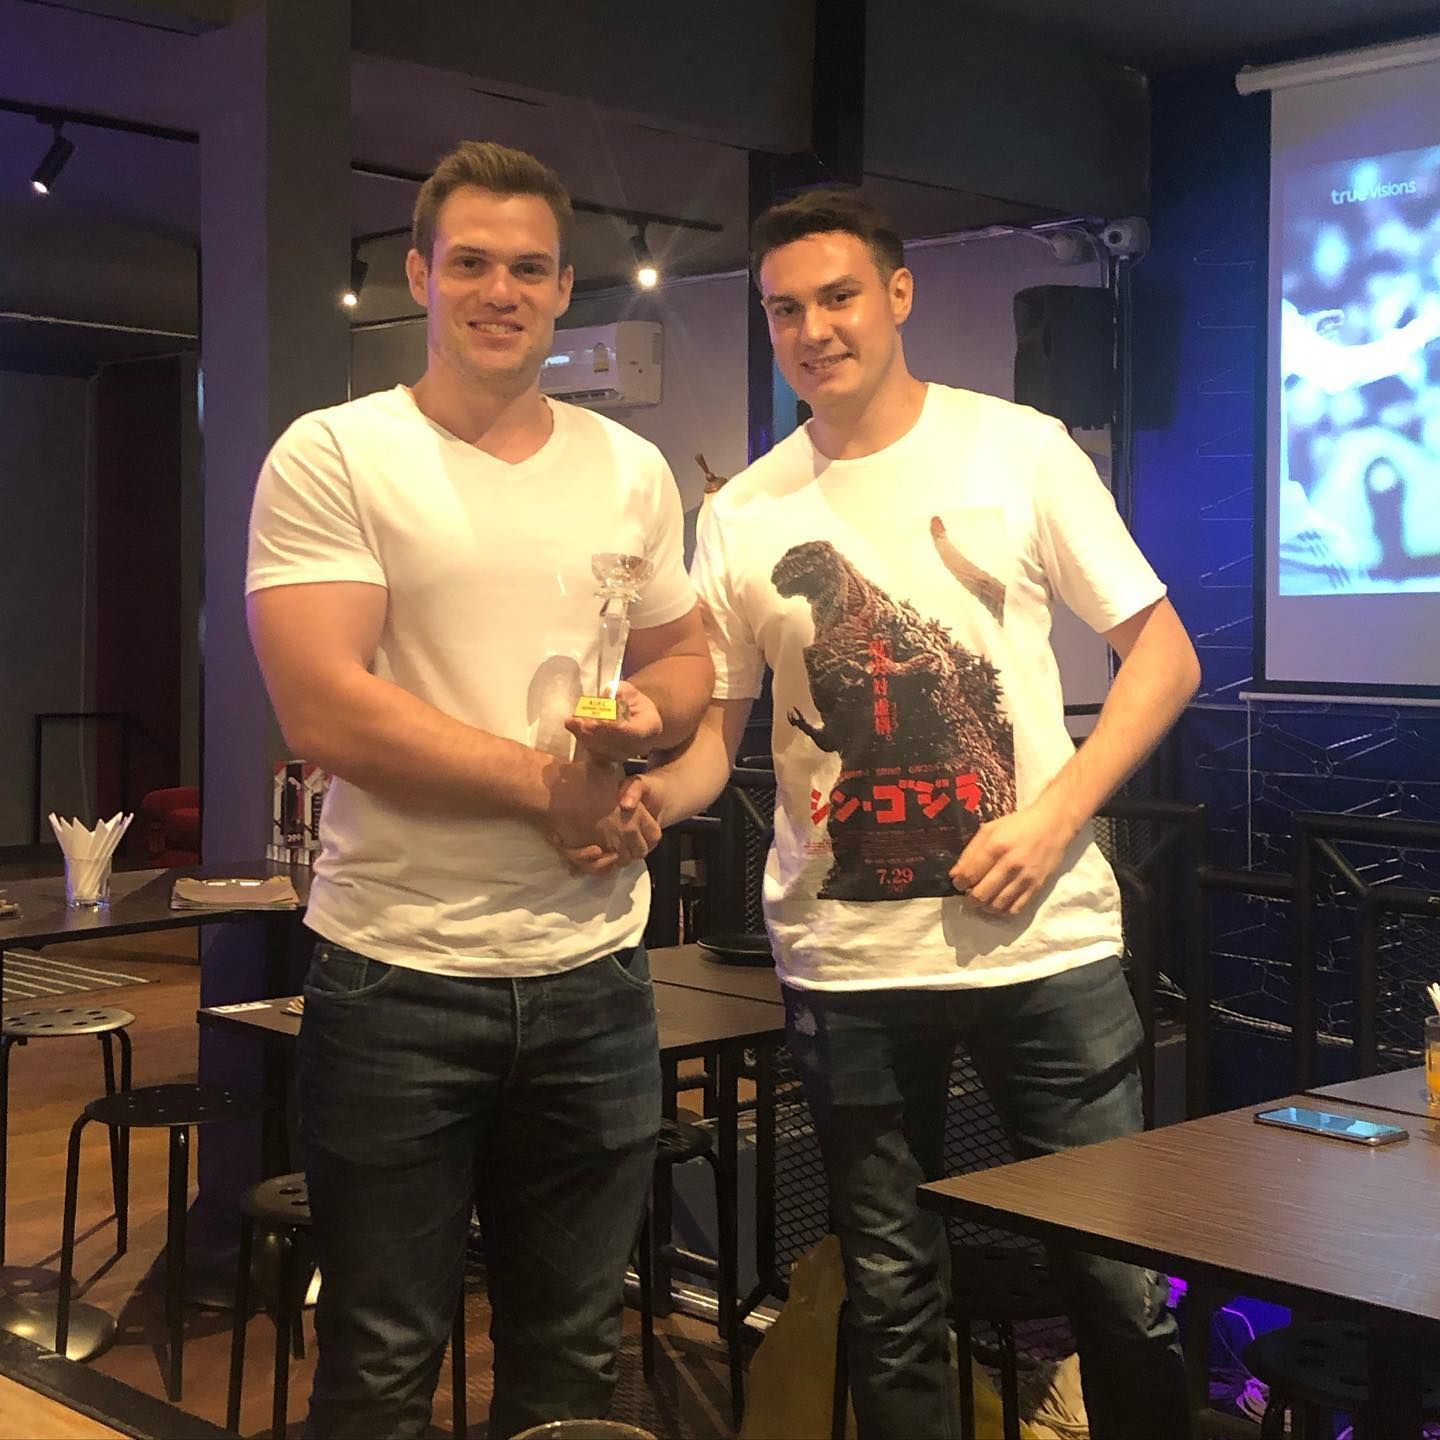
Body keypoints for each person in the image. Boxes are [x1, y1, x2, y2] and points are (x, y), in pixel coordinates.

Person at [575, 188, 1201, 1438]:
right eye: (785, 309)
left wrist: (1055, 814)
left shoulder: (1017, 450)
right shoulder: (745, 512)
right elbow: (721, 742)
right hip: (848, 961)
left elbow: (1166, 656)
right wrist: (653, 797)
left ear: (898, 295)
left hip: (1047, 947)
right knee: (892, 1290)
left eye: (839, 296)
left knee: (1120, 1284)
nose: (814, 329)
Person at [245, 140, 712, 1439]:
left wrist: (637, 732)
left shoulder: (627, 469)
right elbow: (321, 702)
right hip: (399, 977)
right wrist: (545, 791)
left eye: (526, 267)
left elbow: (684, 660)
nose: (498, 289)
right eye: (470, 263)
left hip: (596, 981)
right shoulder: (336, 455)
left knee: (571, 1367)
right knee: (383, 1368)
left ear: (565, 289)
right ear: (418, 275)